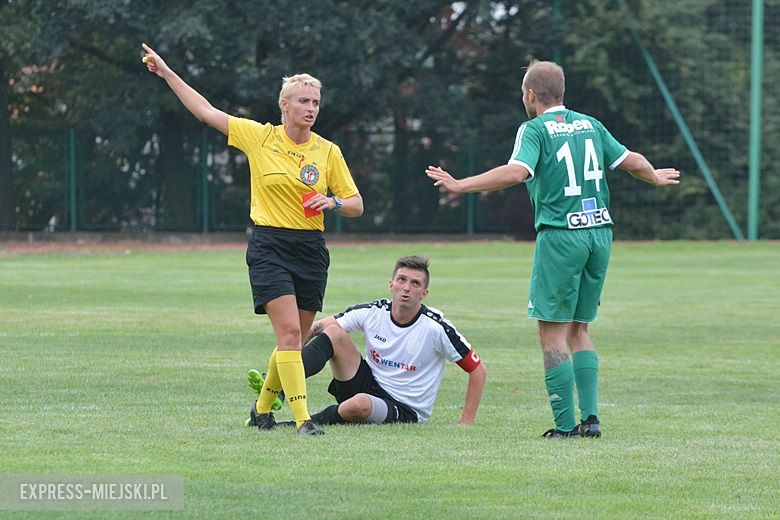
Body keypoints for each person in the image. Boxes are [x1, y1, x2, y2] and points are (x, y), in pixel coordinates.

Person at [426, 60, 679, 438]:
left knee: (552, 335)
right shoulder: (591, 125)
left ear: (531, 94)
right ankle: (591, 420)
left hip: (562, 236)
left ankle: (564, 426)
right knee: (580, 330)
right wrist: (654, 176)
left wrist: (461, 185)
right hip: (599, 233)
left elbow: (516, 172)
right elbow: (632, 161)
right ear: (561, 92)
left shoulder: (534, 129)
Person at [142, 43, 364, 436]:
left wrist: (333, 201)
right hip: (270, 247)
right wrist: (167, 73)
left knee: (293, 338)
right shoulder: (260, 137)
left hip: (311, 250)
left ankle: (261, 411)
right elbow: (206, 111)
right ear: (284, 106)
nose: (311, 108)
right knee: (290, 336)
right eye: (303, 101)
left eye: (315, 102)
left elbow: (357, 205)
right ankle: (302, 420)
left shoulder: (328, 151)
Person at [251, 255, 487, 427]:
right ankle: (276, 390)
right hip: (366, 382)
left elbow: (477, 370)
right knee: (334, 333)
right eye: (402, 280)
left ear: (424, 293)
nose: (406, 288)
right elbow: (319, 326)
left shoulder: (436, 327)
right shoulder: (374, 311)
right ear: (391, 284)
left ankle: (298, 424)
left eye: (415, 284)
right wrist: (287, 350)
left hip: (404, 407)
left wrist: (466, 422)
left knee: (360, 404)